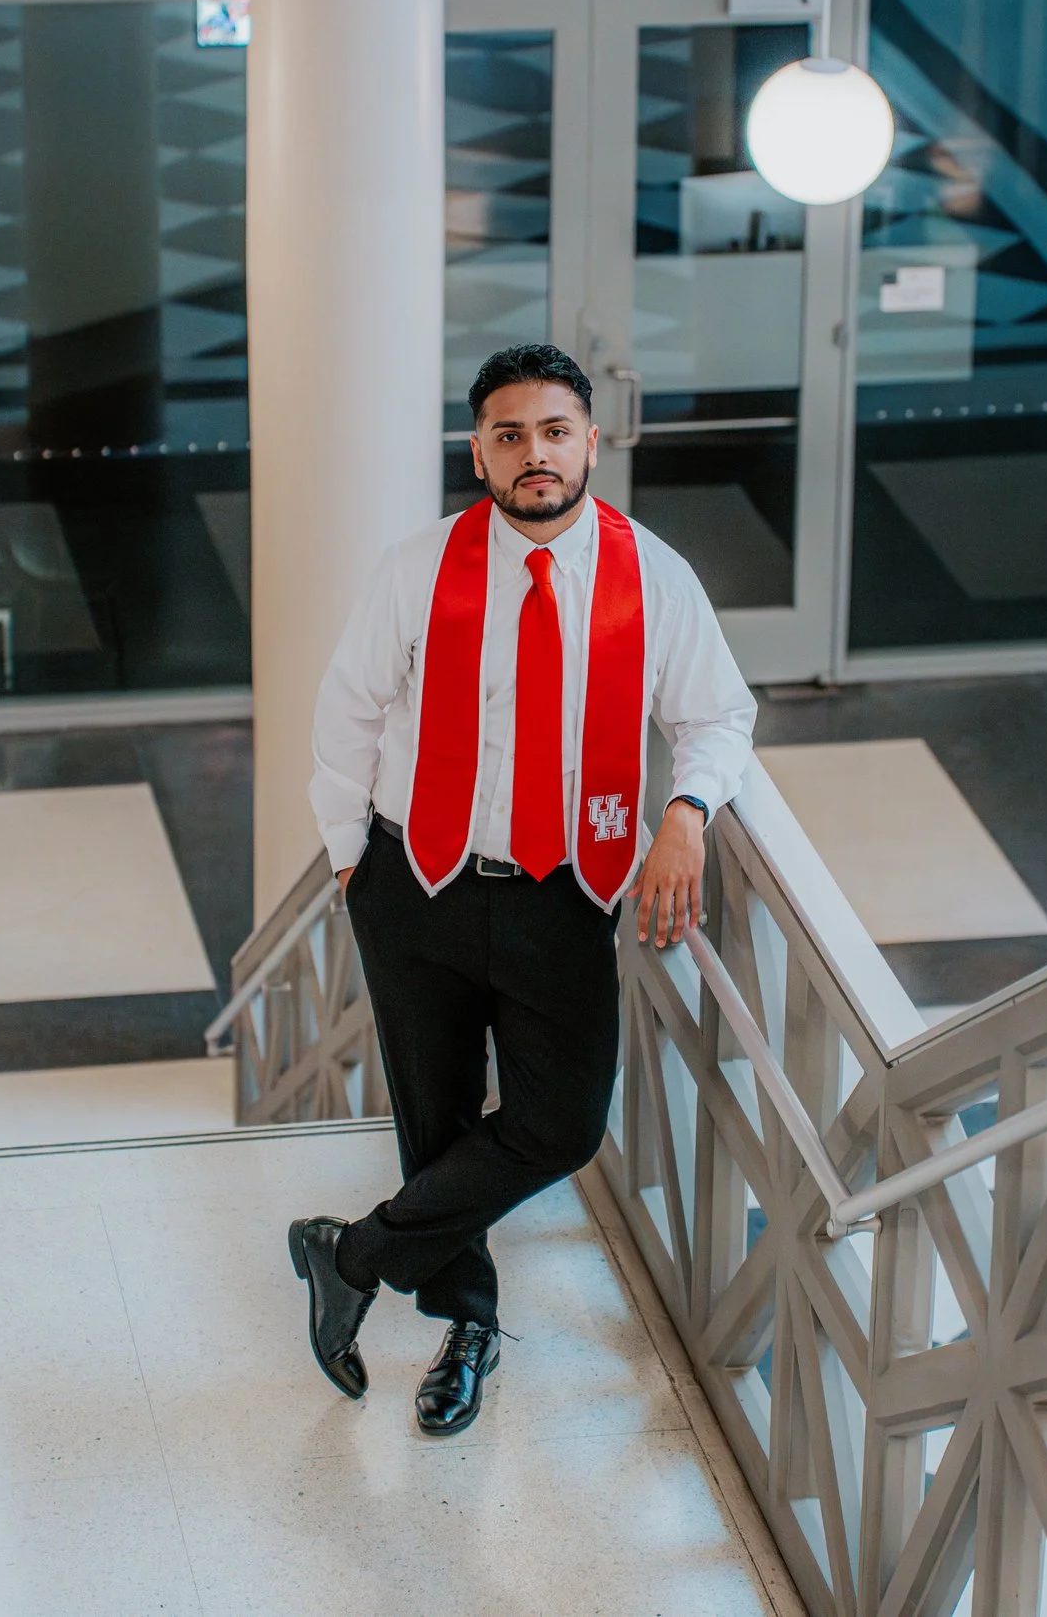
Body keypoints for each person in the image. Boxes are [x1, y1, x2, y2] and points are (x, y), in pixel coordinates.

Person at [288, 342, 756, 1435]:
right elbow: (347, 711)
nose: (533, 454)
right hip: (418, 879)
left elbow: (717, 715)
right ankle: (468, 1331)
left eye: (554, 431)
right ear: (479, 453)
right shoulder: (418, 567)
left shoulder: (654, 574)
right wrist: (351, 862)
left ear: (591, 440)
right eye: (509, 434)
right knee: (436, 1117)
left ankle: (347, 1252)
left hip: (563, 891)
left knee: (558, 1123)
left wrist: (685, 812)